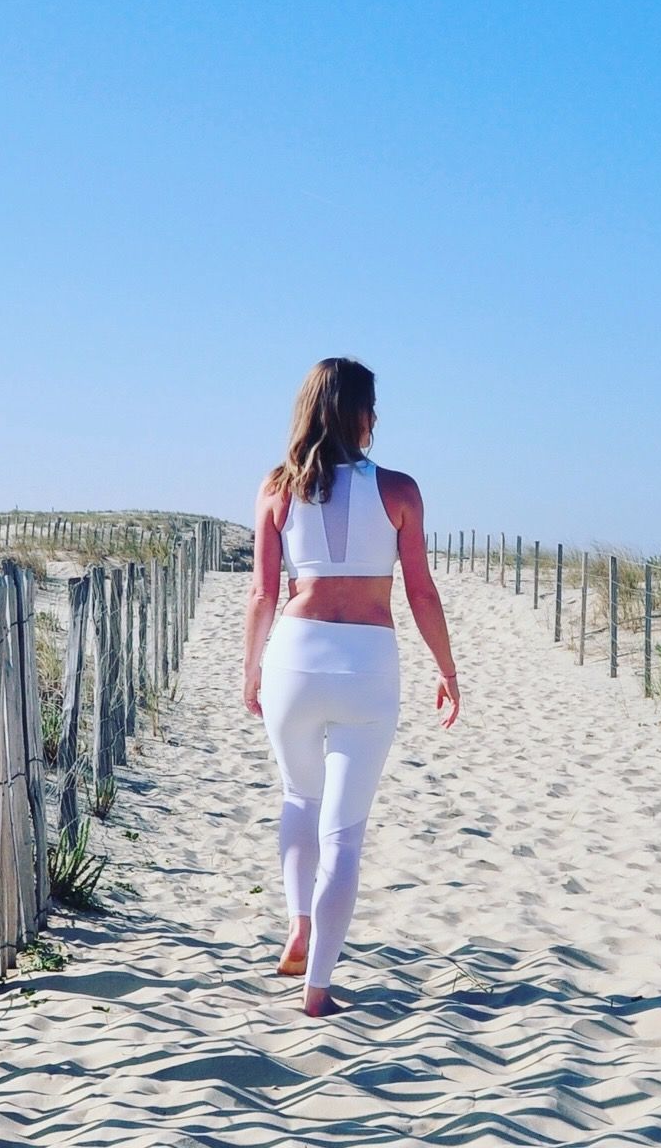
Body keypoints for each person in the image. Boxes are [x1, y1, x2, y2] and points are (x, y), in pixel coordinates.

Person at [242, 356, 461, 1018]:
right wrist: (447, 669)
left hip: (295, 657)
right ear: (364, 414)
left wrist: (250, 666)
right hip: (368, 662)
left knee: (298, 798)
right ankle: (318, 991)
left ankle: (299, 922)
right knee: (344, 832)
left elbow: (262, 593)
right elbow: (421, 589)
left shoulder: (277, 487)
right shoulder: (400, 491)